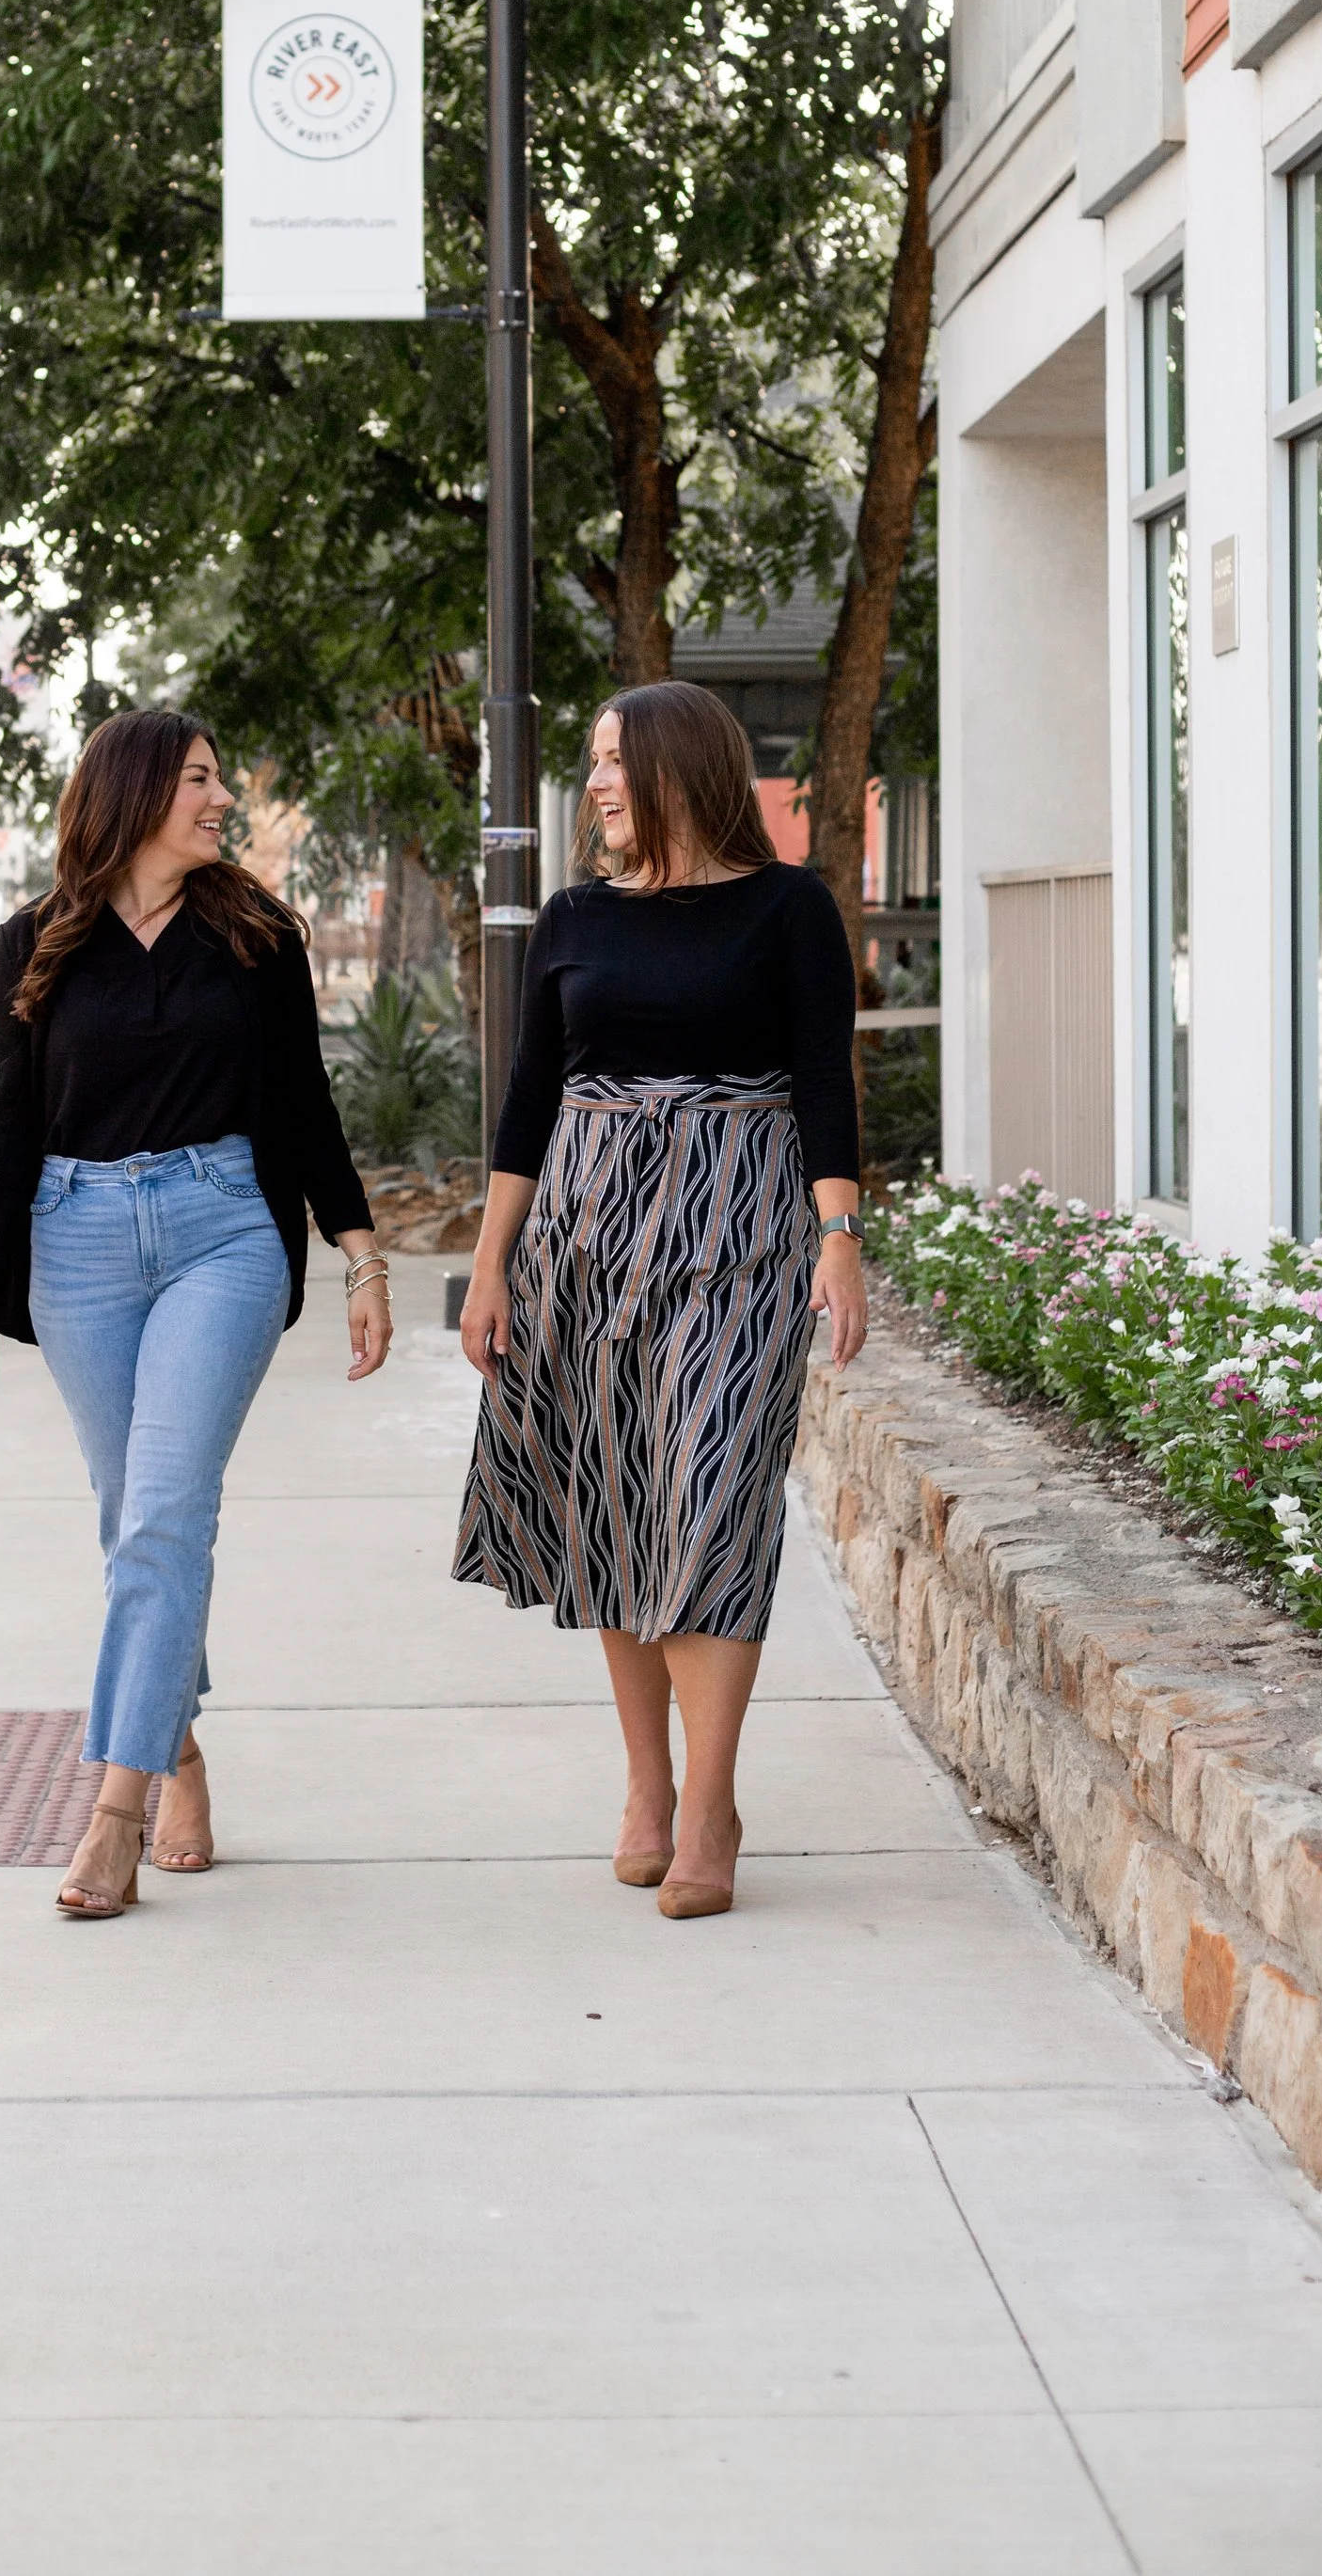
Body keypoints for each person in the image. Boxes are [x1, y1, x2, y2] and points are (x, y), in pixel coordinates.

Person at [0, 707, 391, 1918]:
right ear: (138, 793)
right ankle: (180, 1748)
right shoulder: (33, 944)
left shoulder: (254, 935)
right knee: (128, 1519)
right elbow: (5, 1126)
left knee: (163, 1516)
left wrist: (360, 1254)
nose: (219, 803)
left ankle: (113, 1808)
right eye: (199, 782)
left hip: (221, 1234)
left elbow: (303, 1102)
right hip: (77, 1242)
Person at [454, 681, 865, 1921]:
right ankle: (647, 1785)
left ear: (680, 766)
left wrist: (837, 1234)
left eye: (612, 760)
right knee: (618, 1506)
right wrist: (489, 1262)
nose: (595, 784)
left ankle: (710, 1804)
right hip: (583, 1236)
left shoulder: (788, 907)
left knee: (716, 1502)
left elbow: (822, 1078)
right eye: (589, 762)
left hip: (739, 1231)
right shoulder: (575, 917)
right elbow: (530, 1096)